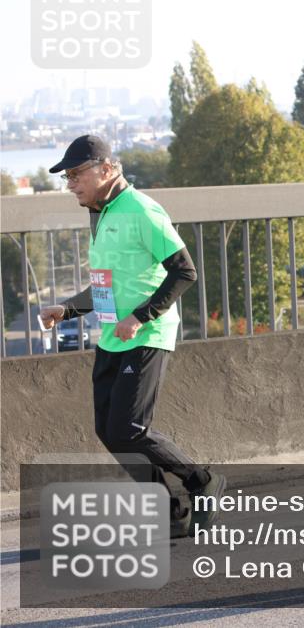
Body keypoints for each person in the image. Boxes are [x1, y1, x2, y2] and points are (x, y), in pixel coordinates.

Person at [39, 134, 225, 538]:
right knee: (108, 429)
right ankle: (169, 510)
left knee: (129, 429)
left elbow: (184, 271)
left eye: (75, 173)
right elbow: (108, 284)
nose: (70, 182)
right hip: (112, 336)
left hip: (147, 333)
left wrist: (141, 317)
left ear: (106, 170)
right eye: (66, 176)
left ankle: (202, 481)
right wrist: (68, 309)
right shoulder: (101, 214)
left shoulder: (141, 209)